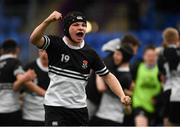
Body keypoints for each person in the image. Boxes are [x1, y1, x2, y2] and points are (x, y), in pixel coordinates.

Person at [29, 11, 131, 126]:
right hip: (55, 107)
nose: (81, 28)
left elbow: (107, 76)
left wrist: (122, 95)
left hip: (79, 110)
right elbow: (34, 39)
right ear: (67, 28)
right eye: (76, 25)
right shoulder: (55, 44)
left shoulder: (90, 54)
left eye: (83, 25)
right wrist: (48, 21)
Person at [86, 34, 140, 119]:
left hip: (99, 101)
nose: (135, 53)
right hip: (92, 98)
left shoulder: (116, 62)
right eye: (134, 49)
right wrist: (126, 93)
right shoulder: (109, 62)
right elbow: (103, 86)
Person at [89, 44, 134, 126]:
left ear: (125, 57)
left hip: (111, 118)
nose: (114, 56)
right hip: (105, 115)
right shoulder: (120, 71)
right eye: (115, 53)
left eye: (118, 54)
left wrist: (99, 71)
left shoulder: (125, 76)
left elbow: (101, 87)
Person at [0, 39, 36, 126]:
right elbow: (20, 78)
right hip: (10, 109)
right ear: (17, 50)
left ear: (2, 51)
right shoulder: (15, 62)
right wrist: (27, 76)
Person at [132, 45, 162, 126]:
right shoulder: (137, 67)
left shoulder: (160, 70)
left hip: (155, 107)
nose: (151, 58)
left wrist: (158, 98)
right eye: (148, 56)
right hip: (139, 105)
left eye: (153, 56)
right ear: (143, 56)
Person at [157, 27, 180, 126]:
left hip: (168, 89)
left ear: (165, 39)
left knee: (167, 118)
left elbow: (161, 76)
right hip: (178, 90)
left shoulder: (161, 55)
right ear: (177, 38)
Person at [22, 49, 50, 126]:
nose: (44, 54)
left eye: (47, 51)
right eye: (42, 51)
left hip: (49, 115)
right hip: (30, 115)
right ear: (38, 51)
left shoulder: (57, 69)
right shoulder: (30, 67)